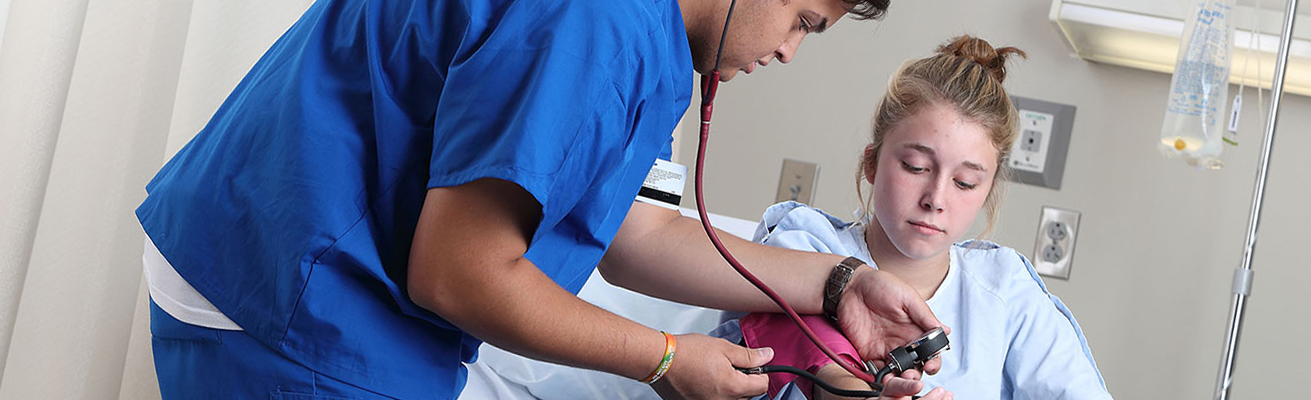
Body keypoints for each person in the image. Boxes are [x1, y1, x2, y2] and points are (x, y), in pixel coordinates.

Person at [134, 0, 952, 398]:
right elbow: (460, 274)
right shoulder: (598, 25)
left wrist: (839, 282)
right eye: (803, 19)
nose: (788, 50)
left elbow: (619, 227)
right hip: (290, 301)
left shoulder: (645, 33)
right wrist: (665, 361)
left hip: (280, 257)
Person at [720, 35, 1112, 400]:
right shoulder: (806, 243)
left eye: (964, 182)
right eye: (915, 166)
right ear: (871, 162)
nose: (936, 199)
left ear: (987, 191)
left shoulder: (1005, 290)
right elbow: (786, 349)